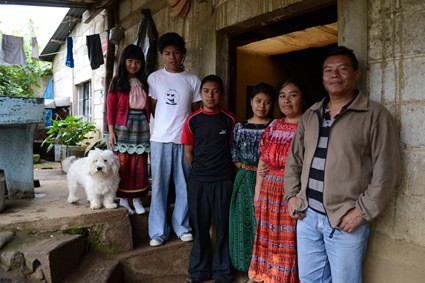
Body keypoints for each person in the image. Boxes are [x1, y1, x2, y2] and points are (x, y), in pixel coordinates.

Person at [284, 46, 402, 283]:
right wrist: (292, 196)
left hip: (345, 219)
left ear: (356, 74)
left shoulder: (374, 115)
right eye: (328, 70)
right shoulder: (311, 114)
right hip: (307, 217)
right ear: (322, 77)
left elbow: (387, 170)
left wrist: (362, 211)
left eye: (342, 69)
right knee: (309, 280)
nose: (334, 75)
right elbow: (295, 159)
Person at [248, 78, 305, 283]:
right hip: (268, 192)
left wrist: (299, 196)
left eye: (293, 95)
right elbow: (263, 162)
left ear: (302, 98)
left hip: (292, 193)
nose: (286, 100)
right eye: (282, 96)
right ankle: (265, 275)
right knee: (267, 237)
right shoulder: (273, 126)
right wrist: (257, 193)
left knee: (288, 241)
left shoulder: (307, 126)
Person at [181, 75, 237, 283]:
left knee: (223, 228)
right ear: (200, 93)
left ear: (220, 94)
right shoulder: (192, 119)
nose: (210, 95)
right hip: (199, 183)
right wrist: (198, 173)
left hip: (223, 181)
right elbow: (189, 152)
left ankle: (222, 272)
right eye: (206, 91)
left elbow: (234, 150)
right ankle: (198, 271)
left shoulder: (230, 119)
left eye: (215, 91)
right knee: (200, 227)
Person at [147, 32, 201, 246]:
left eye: (176, 53)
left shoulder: (192, 80)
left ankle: (182, 226)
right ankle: (157, 232)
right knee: (159, 187)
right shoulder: (154, 78)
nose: (172, 57)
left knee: (184, 186)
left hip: (184, 141)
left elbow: (195, 113)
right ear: (162, 55)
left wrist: (189, 138)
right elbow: (153, 109)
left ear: (183, 54)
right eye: (167, 53)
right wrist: (165, 127)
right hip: (160, 139)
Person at [229, 83, 275, 272]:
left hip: (268, 180)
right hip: (244, 179)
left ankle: (265, 268)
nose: (261, 106)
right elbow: (234, 154)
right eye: (258, 101)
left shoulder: (275, 127)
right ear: (250, 102)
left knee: (265, 224)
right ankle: (245, 265)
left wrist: (262, 172)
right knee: (243, 221)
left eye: (267, 102)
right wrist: (247, 169)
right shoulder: (240, 127)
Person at [107, 44, 150, 215]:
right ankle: (124, 199)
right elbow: (110, 109)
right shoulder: (117, 82)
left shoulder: (145, 83)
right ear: (124, 62)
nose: (133, 65)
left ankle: (137, 199)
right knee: (123, 163)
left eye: (137, 62)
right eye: (130, 61)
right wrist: (111, 132)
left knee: (140, 163)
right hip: (122, 127)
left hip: (142, 126)